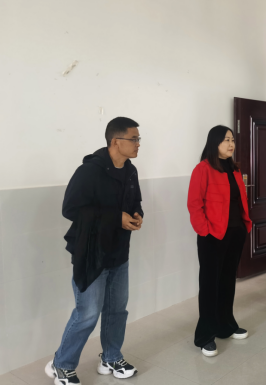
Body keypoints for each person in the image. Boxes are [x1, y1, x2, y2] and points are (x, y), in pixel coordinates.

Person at [46, 117, 144, 385]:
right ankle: (62, 365)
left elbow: (135, 200)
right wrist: (116, 217)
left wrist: (137, 214)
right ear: (116, 141)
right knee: (87, 314)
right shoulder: (89, 171)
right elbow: (71, 209)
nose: (138, 144)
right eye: (134, 139)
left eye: (138, 139)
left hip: (119, 253)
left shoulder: (130, 171)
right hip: (91, 253)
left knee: (117, 311)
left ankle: (111, 357)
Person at [188, 126, 253, 358]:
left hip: (235, 233)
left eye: (232, 139)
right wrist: (205, 232)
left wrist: (244, 226)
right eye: (226, 140)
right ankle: (205, 335)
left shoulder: (234, 169)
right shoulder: (203, 169)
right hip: (212, 237)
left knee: (227, 282)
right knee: (209, 285)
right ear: (214, 143)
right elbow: (194, 204)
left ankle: (226, 325)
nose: (231, 144)